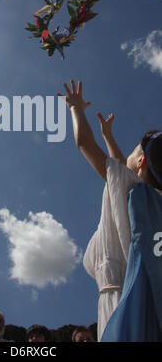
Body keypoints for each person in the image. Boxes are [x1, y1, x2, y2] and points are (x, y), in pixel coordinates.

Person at [58, 80, 162, 341]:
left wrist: (75, 108)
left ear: (141, 161)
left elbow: (84, 143)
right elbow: (119, 169)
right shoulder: (152, 202)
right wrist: (108, 136)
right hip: (146, 299)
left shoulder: (134, 192)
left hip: (120, 299)